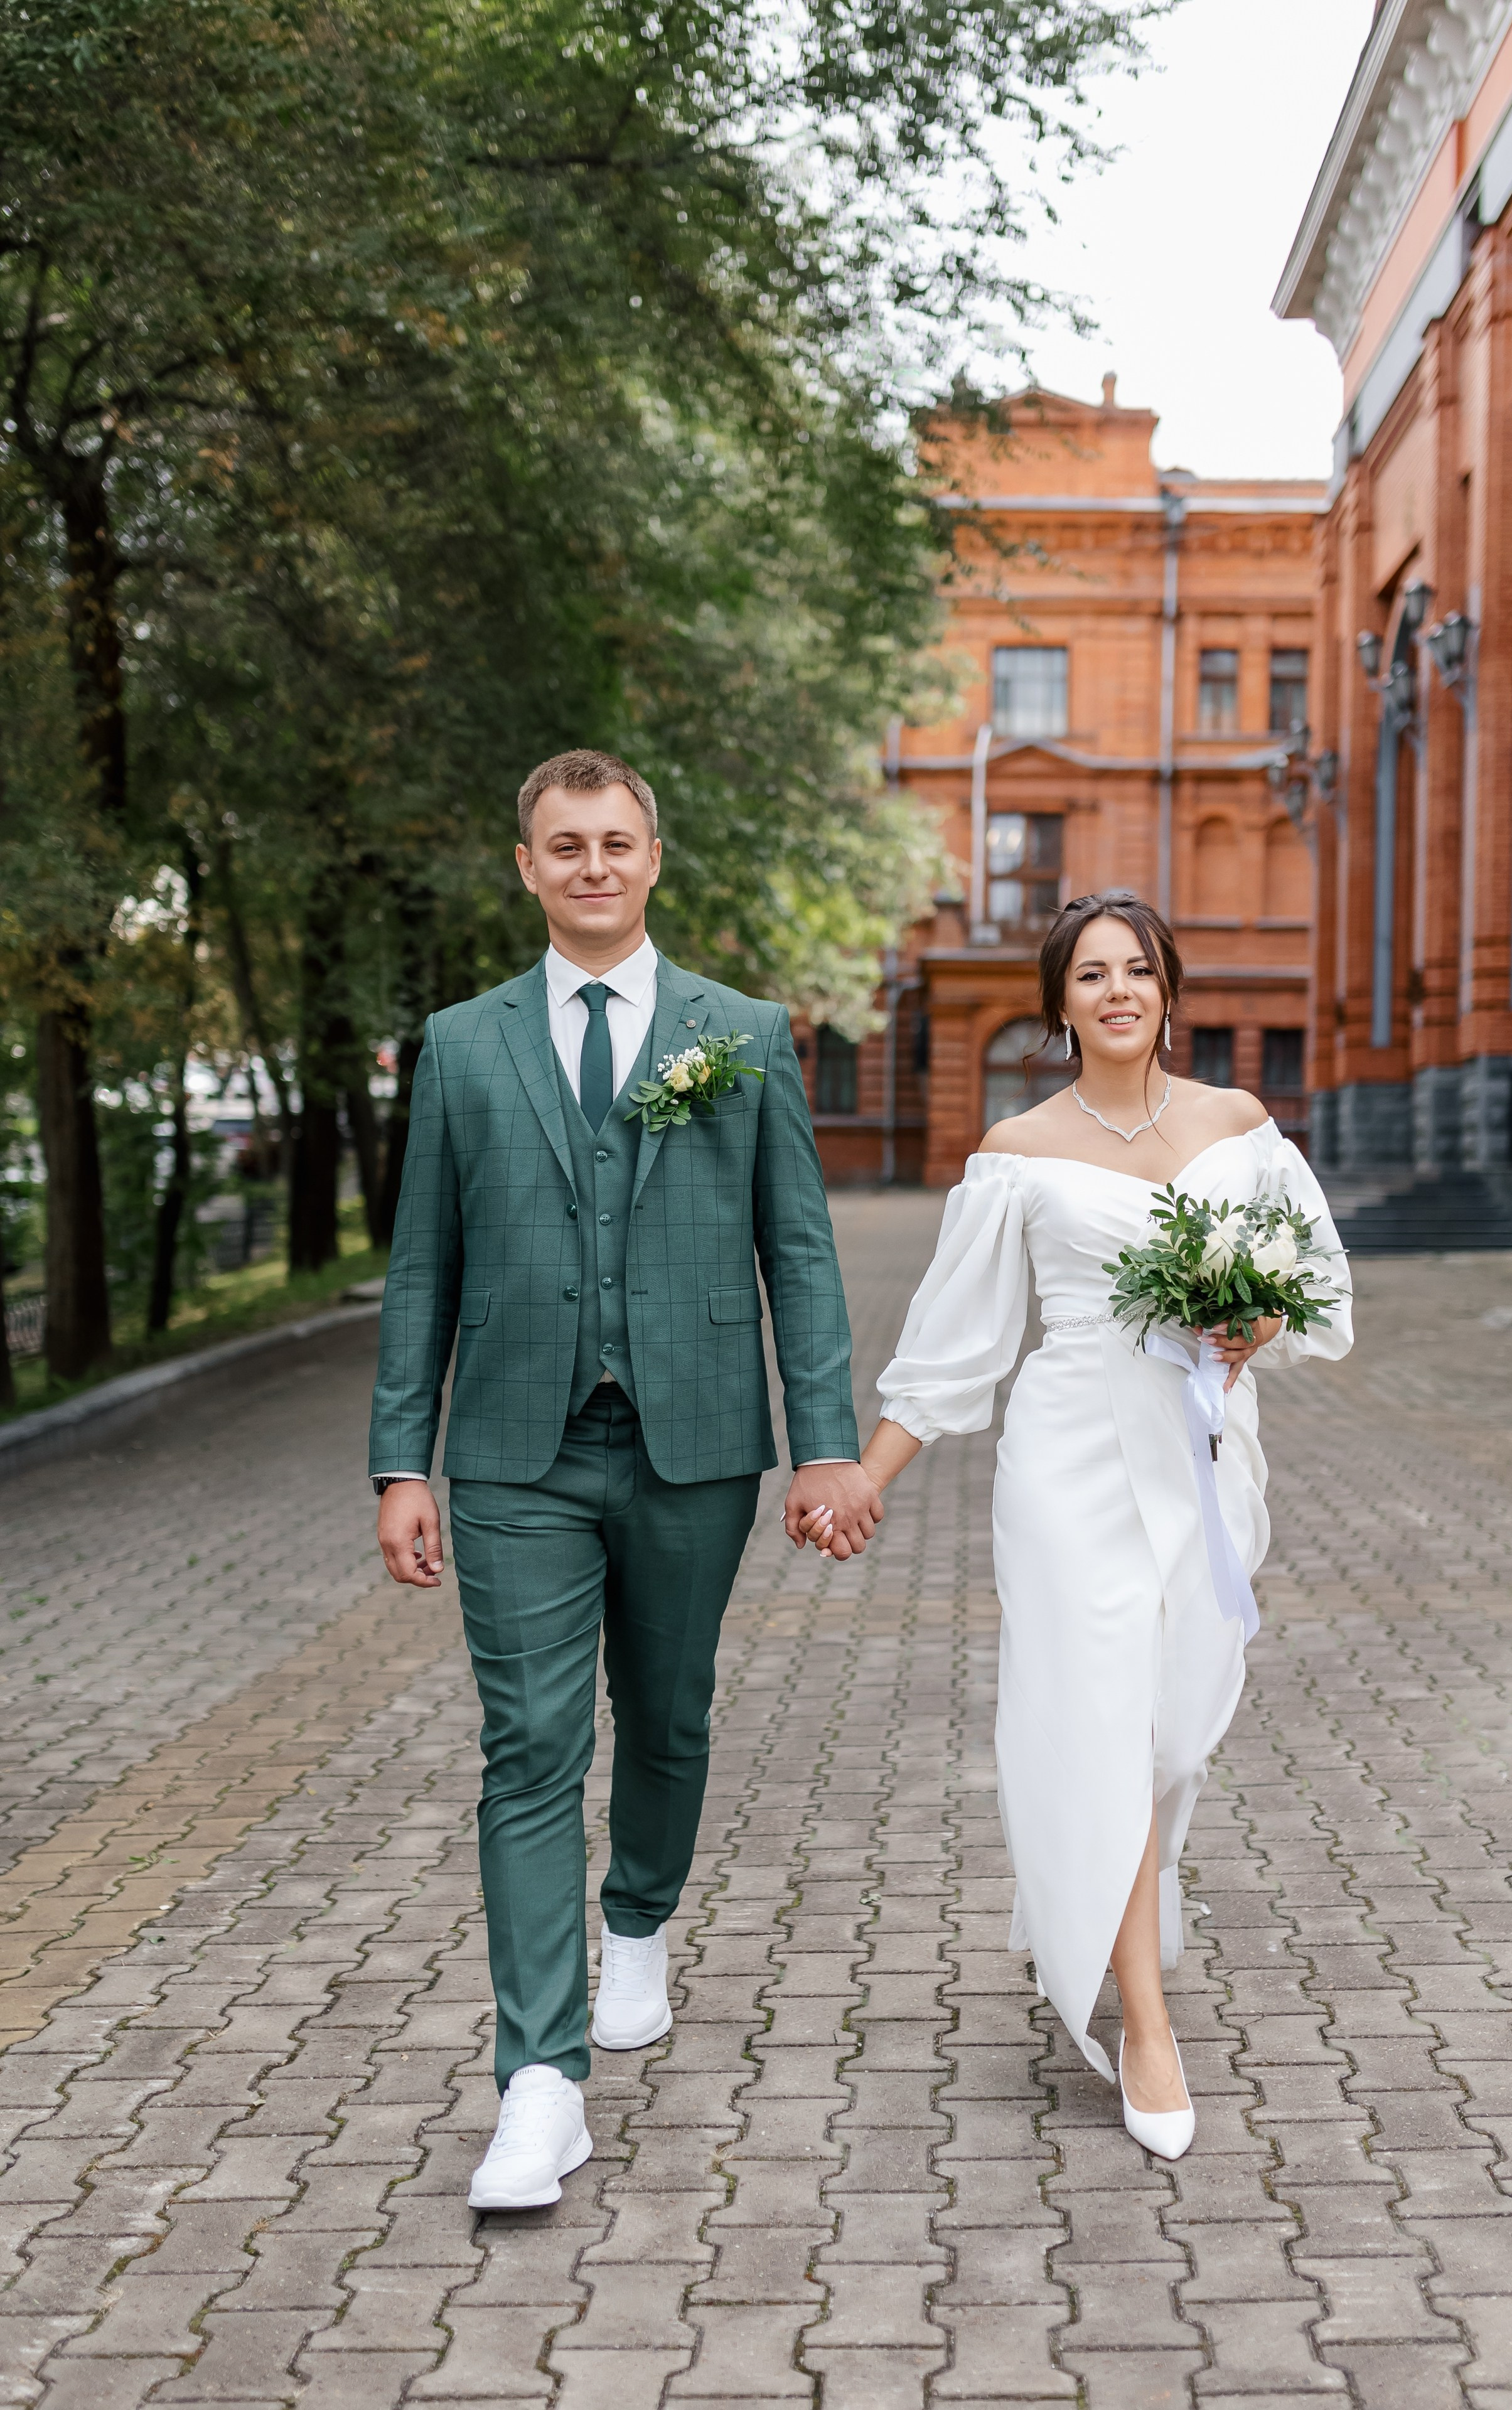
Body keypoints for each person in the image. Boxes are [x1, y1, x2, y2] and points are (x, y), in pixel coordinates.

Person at [368, 747, 882, 2209]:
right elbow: (422, 1266)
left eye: (614, 843)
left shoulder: (744, 1032)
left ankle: (639, 1918)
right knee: (527, 1747)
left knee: (664, 1711)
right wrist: (400, 1457)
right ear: (525, 867)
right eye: (563, 846)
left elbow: (797, 1249)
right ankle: (539, 2081)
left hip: (696, 1440)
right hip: (513, 1453)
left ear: (652, 859)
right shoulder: (462, 1045)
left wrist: (826, 1438)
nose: (591, 866)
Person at [813, 891, 1351, 2161]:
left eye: (1138, 971)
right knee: (1097, 1723)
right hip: (1066, 1461)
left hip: (1200, 1450)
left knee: (1168, 1730)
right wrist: (868, 1476)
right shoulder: (1016, 1148)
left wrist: (1255, 1325)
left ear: (1168, 992)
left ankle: (1111, 1895)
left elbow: (1312, 1285)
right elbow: (953, 1346)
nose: (1117, 991)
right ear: (1058, 1002)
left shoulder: (1239, 1127)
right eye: (1091, 974)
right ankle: (1140, 2019)